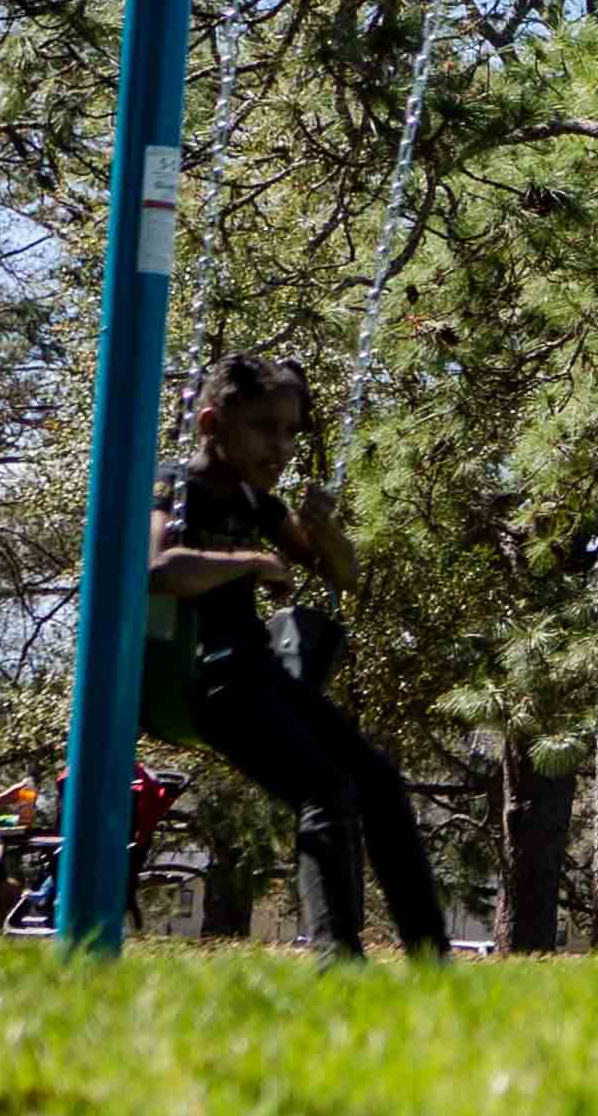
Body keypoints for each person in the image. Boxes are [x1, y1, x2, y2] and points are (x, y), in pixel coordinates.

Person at [148, 354, 455, 961]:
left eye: (290, 431)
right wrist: (252, 562)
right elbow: (158, 568)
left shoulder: (256, 502)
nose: (281, 446)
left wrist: (326, 531)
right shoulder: (173, 486)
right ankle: (336, 957)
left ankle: (430, 953)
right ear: (211, 424)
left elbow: (342, 573)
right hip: (203, 679)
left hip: (258, 675)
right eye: (263, 428)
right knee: (324, 789)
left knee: (378, 781)